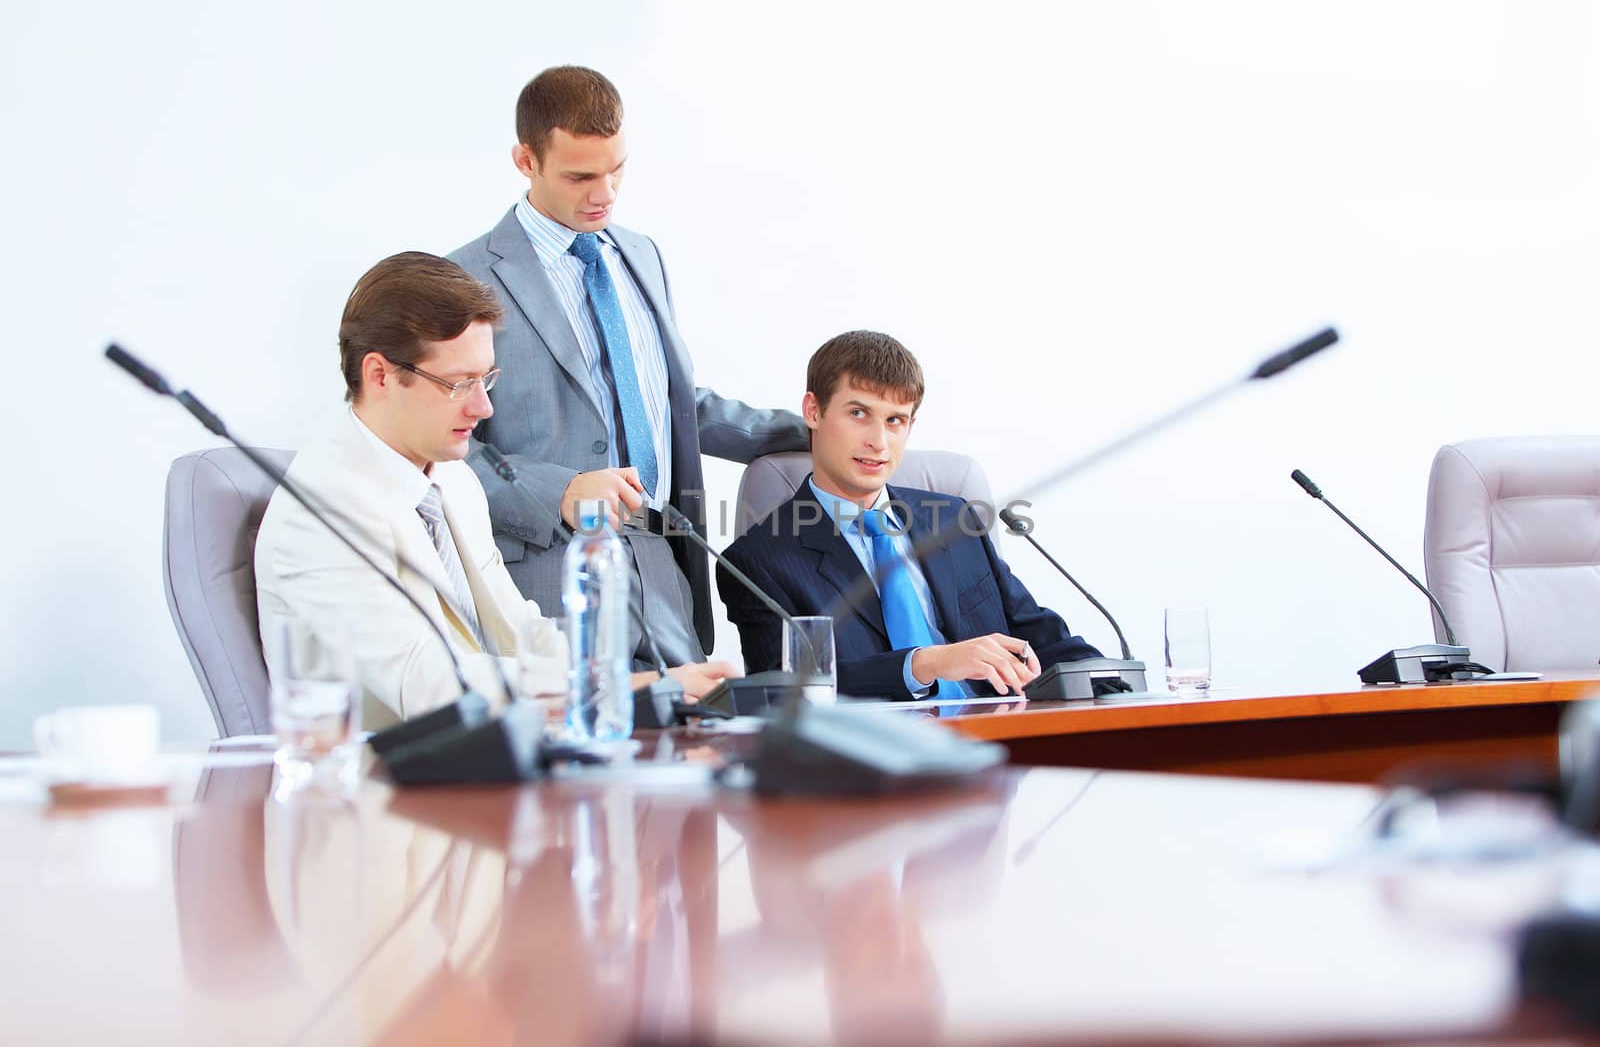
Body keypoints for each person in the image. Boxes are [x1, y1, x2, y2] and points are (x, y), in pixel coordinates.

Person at [255, 252, 733, 729]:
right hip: (381, 786)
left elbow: (522, 634)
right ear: (379, 375)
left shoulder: (453, 481)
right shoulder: (320, 510)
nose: (484, 408)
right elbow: (432, 688)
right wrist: (629, 690)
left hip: (497, 761)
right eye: (460, 384)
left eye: (486, 379)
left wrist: (654, 682)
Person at [448, 66, 808, 670]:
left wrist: (813, 435)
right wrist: (557, 489)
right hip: (549, 575)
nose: (604, 194)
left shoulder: (641, 254)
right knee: (585, 747)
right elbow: (441, 452)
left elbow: (669, 402)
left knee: (699, 736)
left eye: (617, 169)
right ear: (525, 160)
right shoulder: (464, 280)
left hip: (663, 562)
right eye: (581, 176)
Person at [717, 331, 1104, 700]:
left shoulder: (954, 520)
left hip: (1003, 736)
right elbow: (787, 691)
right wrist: (926, 664)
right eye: (858, 413)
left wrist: (1114, 682)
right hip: (876, 756)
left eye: (894, 420)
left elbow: (1039, 637)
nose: (878, 442)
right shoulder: (757, 562)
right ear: (813, 411)